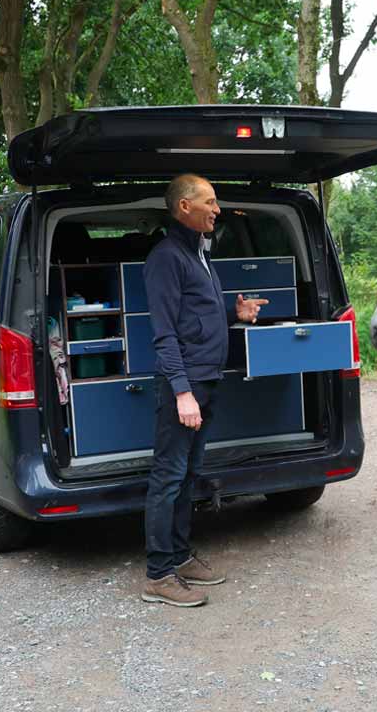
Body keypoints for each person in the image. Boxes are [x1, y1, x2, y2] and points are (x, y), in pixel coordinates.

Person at [140, 173, 268, 607]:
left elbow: (197, 322)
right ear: (184, 208)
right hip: (187, 386)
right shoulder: (166, 258)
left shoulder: (198, 254)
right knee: (168, 477)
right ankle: (159, 574)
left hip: (205, 381)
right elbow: (165, 334)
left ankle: (179, 554)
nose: (217, 209)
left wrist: (236, 316)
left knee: (188, 474)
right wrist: (181, 392)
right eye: (209, 202)